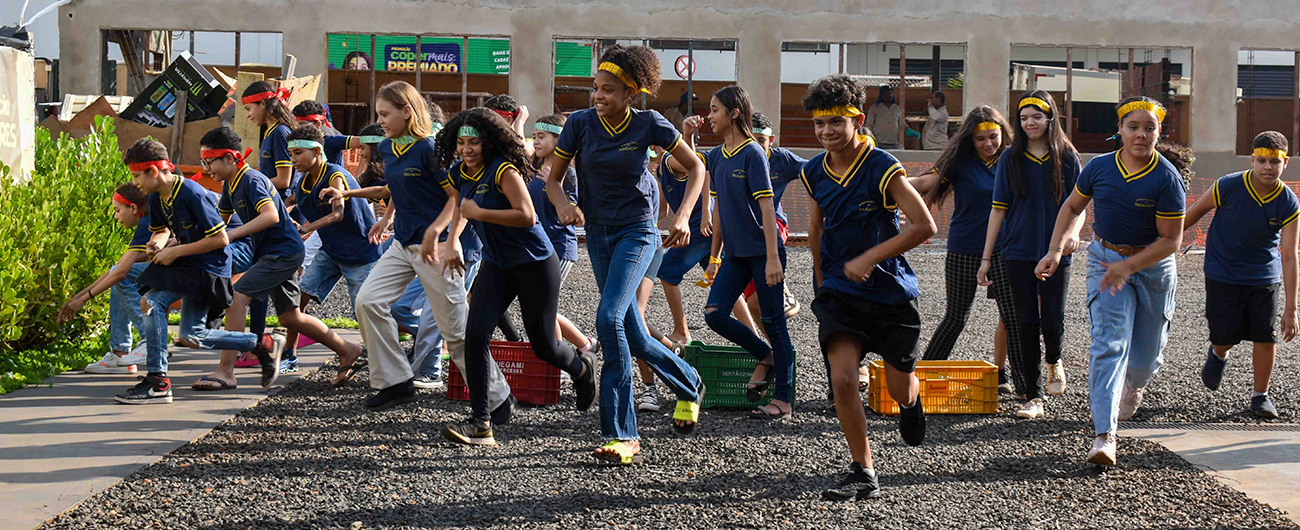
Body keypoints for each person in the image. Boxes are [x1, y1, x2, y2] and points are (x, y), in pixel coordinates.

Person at [545, 44, 705, 464]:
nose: (598, 97)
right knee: (632, 333)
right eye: (595, 89)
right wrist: (564, 204)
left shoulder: (649, 123)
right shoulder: (579, 124)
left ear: (631, 93)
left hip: (638, 232)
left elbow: (697, 168)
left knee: (609, 318)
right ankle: (689, 383)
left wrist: (684, 216)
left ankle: (623, 433)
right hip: (598, 235)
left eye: (609, 90)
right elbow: (554, 181)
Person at [328, 81, 513, 415]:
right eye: (378, 113)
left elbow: (458, 198)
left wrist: (441, 233)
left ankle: (498, 398)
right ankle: (396, 382)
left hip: (437, 249)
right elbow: (398, 188)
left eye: (385, 113)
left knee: (454, 332)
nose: (380, 120)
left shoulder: (431, 150)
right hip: (403, 245)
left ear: (407, 111)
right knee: (368, 301)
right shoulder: (387, 148)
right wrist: (387, 221)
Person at [799, 74, 935, 501]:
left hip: (890, 292)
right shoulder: (813, 172)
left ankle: (912, 405)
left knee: (898, 389)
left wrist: (869, 258)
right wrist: (821, 278)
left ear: (857, 119)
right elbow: (818, 225)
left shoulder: (882, 166)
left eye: (835, 122)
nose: (826, 132)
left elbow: (924, 226)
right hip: (840, 293)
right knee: (842, 381)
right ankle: (863, 469)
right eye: (820, 124)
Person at [1036, 95, 1187, 466]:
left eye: (1148, 128)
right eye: (1132, 127)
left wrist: (1130, 266)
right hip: (1104, 260)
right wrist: (1056, 249)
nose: (1140, 135)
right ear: (1119, 130)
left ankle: (1134, 385)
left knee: (1146, 358)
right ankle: (1104, 436)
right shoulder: (1099, 168)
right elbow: (1073, 206)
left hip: (1152, 266)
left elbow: (1172, 240)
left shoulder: (1167, 179)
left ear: (1158, 132)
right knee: (1108, 344)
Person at [438, 108, 599, 446]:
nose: (467, 149)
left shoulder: (503, 170)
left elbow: (526, 216)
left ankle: (581, 368)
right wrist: (451, 240)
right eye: (461, 142)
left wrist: (481, 213)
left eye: (474, 143)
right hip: (496, 264)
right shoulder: (460, 172)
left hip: (535, 263)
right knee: (475, 337)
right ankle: (481, 422)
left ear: (489, 142)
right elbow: (460, 206)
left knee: (543, 345)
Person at [199, 126, 367, 390]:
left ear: (230, 158)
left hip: (282, 253)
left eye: (210, 162)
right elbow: (219, 224)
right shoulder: (231, 185)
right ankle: (347, 348)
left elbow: (271, 216)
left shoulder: (252, 180)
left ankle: (226, 371)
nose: (207, 168)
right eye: (203, 162)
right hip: (276, 252)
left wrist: (230, 238)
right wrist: (184, 240)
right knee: (290, 317)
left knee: (235, 299)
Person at [115, 138, 276, 404]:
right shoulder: (156, 197)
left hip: (209, 267)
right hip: (191, 264)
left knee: (152, 302)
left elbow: (221, 240)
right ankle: (262, 344)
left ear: (153, 171)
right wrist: (157, 245)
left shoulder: (191, 192)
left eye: (136, 176)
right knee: (192, 335)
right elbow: (160, 230)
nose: (134, 183)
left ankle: (157, 381)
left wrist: (175, 251)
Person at [975, 92, 1082, 420]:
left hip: (1056, 251)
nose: (1030, 123)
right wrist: (986, 258)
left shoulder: (1067, 157)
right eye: (1024, 118)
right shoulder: (1010, 158)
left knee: (1051, 319)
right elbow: (997, 210)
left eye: (1037, 116)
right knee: (1023, 322)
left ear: (1050, 118)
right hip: (1017, 252)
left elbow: (1078, 205)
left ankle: (1054, 359)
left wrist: (1072, 235)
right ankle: (1033, 396)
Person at [698, 85, 797, 420]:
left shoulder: (753, 153)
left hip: (762, 254)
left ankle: (783, 398)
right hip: (735, 257)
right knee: (714, 313)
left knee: (773, 321)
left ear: (734, 113)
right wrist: (714, 257)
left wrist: (772, 257)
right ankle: (764, 355)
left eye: (714, 110)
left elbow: (767, 209)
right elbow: (720, 211)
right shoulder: (715, 156)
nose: (709, 117)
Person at [1185, 131, 1298, 419]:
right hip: (1222, 273)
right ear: (1252, 160)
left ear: (1285, 162)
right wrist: (1159, 240)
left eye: (1274, 161)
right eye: (1262, 160)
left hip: (1264, 277)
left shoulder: (1288, 202)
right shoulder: (1227, 186)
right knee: (1225, 335)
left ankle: (1260, 396)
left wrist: (1291, 309)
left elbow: (1288, 254)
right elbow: (1194, 213)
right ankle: (1219, 353)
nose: (1267, 167)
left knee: (1265, 335)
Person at [909, 106, 1016, 390]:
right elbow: (923, 182)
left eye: (993, 137)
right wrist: (890, 184)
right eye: (981, 139)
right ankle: (923, 374)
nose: (988, 144)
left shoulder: (1014, 160)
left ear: (1003, 134)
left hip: (1007, 250)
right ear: (970, 139)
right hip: (965, 247)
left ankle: (1020, 382)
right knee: (956, 317)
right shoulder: (960, 162)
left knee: (1012, 316)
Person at [287, 124, 381, 321]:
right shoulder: (305, 181)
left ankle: (388, 342)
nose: (293, 159)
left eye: (298, 152)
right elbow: (290, 201)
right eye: (290, 153)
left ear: (316, 151)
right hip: (331, 250)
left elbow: (337, 213)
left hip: (360, 252)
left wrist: (307, 229)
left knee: (363, 311)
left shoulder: (334, 174)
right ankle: (293, 340)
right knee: (301, 293)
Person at [59, 182, 152, 373]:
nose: (116, 216)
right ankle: (120, 354)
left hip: (189, 269)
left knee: (121, 277)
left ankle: (151, 340)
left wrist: (83, 300)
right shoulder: (144, 224)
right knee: (118, 276)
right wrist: (78, 297)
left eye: (118, 211)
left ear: (133, 208)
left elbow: (120, 272)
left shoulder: (146, 224)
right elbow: (115, 270)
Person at [528, 113, 601, 355]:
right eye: (534, 136)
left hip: (558, 247)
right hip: (537, 246)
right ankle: (584, 344)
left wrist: (553, 186)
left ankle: (557, 361)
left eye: (542, 137)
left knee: (544, 307)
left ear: (560, 140)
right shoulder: (534, 169)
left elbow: (573, 211)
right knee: (541, 305)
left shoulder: (567, 174)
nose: (536, 141)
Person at [864, 85, 903, 150]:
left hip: (894, 143)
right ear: (881, 95)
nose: (889, 95)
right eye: (886, 94)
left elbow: (901, 124)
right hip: (879, 142)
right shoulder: (874, 108)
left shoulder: (897, 108)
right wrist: (870, 138)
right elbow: (869, 125)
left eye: (890, 93)